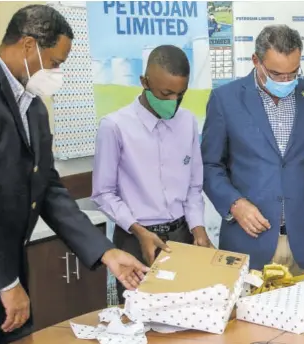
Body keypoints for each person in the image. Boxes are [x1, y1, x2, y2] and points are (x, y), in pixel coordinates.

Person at [0, 5, 148, 343]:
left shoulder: (34, 105)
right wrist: (6, 283)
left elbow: (49, 189)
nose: (57, 72)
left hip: (10, 274)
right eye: (55, 63)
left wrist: (105, 252)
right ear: (29, 45)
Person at [201, 25, 304, 279]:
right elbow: (210, 166)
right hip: (248, 246)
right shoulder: (225, 99)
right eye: (276, 74)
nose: (286, 81)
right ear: (256, 61)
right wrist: (235, 204)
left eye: (293, 73)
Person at [91, 45, 213, 304]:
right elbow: (103, 193)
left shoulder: (188, 122)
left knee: (188, 315)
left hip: (182, 237)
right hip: (135, 239)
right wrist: (138, 230)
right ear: (144, 82)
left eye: (180, 94)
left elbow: (193, 186)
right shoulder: (114, 127)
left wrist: (198, 230)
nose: (172, 102)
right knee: (141, 320)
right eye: (165, 93)